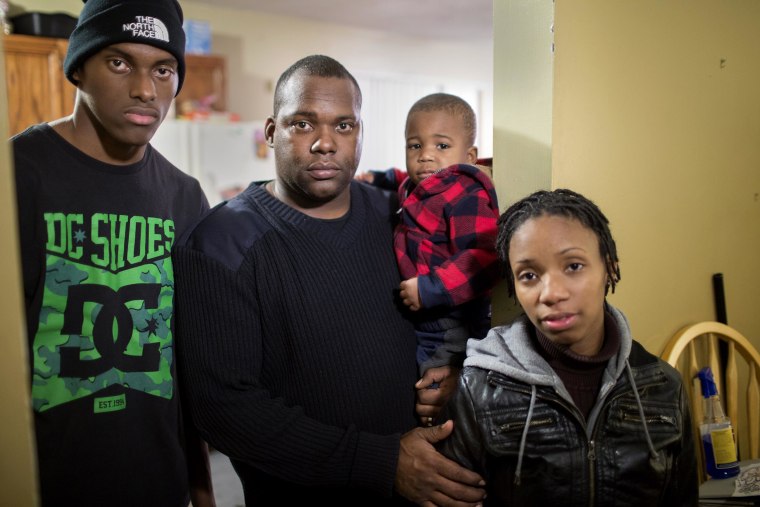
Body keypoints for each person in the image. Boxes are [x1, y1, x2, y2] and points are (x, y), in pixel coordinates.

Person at [172, 55, 487, 506]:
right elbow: (224, 409)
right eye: (303, 124)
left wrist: (457, 373)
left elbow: (465, 301)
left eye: (344, 126)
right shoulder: (220, 243)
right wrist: (381, 462)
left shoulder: (397, 216)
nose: (325, 143)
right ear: (270, 133)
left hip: (425, 489)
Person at [11, 0, 215, 506]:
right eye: (120, 62)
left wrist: (201, 488)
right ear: (79, 67)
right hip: (41, 481)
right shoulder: (15, 174)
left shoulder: (185, 196)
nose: (146, 90)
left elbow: (189, 366)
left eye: (163, 69)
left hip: (157, 481)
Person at [437, 189, 698, 506]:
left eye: (573, 266)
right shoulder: (476, 390)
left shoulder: (664, 387)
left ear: (610, 269)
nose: (551, 293)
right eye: (529, 275)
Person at [391, 93, 500, 426]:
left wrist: (430, 288)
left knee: (436, 382)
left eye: (441, 147)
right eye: (414, 146)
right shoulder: (420, 188)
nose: (425, 156)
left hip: (450, 319)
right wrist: (379, 178)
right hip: (427, 316)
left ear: (468, 156)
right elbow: (399, 181)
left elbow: (483, 259)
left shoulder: (466, 193)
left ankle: (446, 437)